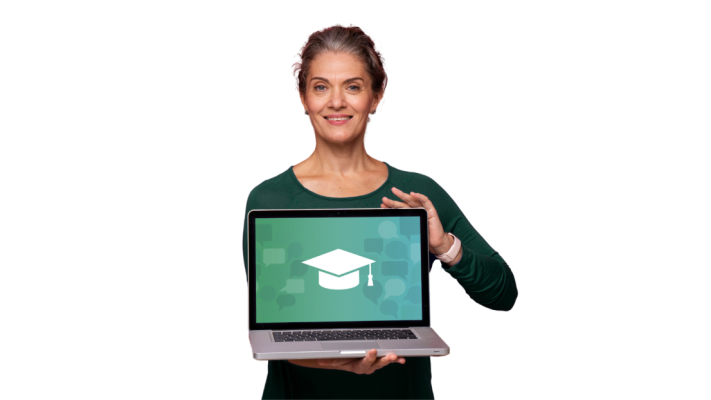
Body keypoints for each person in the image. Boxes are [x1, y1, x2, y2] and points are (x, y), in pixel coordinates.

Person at [243, 23, 518, 400]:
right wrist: (331, 359)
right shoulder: (267, 198)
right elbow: (269, 333)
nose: (336, 102)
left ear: (378, 97)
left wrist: (444, 246)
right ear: (303, 98)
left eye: (353, 86)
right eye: (321, 86)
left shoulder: (416, 193)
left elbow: (503, 295)